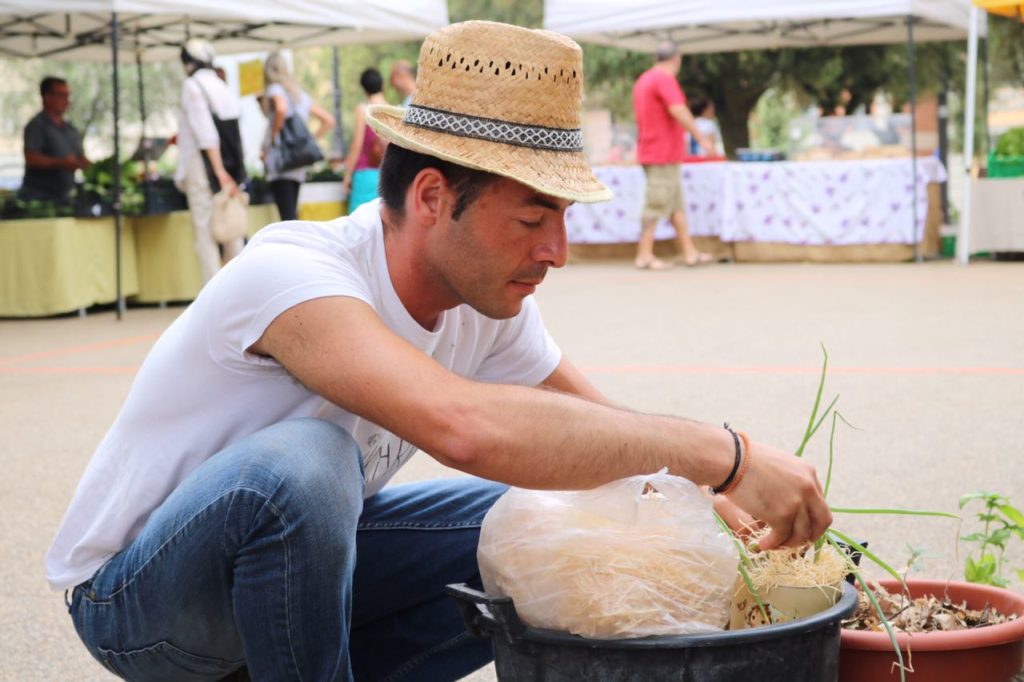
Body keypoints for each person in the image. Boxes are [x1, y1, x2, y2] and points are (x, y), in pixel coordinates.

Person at [48, 21, 831, 682]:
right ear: (430, 197)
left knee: (555, 520)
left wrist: (700, 496)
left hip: (299, 584)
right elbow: (464, 427)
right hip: (142, 605)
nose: (557, 250)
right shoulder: (290, 272)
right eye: (532, 220)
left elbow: (599, 435)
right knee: (306, 464)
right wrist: (723, 453)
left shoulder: (487, 301)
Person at [632, 41, 716, 270]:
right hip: (662, 154)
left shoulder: (644, 79)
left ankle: (690, 253)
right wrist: (701, 138)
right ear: (677, 58)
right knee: (656, 203)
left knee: (675, 206)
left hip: (657, 152)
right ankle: (644, 255)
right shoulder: (663, 79)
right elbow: (678, 109)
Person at [174, 39, 246, 284]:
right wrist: (230, 172)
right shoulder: (220, 85)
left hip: (203, 167)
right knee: (232, 228)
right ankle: (239, 287)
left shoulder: (192, 86)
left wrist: (218, 171)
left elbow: (206, 134)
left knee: (205, 231)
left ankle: (213, 294)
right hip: (228, 167)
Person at [261, 51, 336, 221]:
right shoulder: (299, 95)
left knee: (287, 217)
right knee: (291, 213)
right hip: (297, 163)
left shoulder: (275, 89)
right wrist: (309, 140)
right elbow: (329, 120)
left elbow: (281, 108)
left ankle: (291, 247)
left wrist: (273, 137)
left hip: (281, 161)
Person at [19, 76, 90, 203]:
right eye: (62, 95)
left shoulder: (71, 129)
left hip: (65, 197)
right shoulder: (37, 126)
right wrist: (61, 163)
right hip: (39, 198)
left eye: (68, 95)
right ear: (47, 97)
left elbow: (80, 158)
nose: (67, 101)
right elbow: (31, 159)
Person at [341, 67, 387, 214]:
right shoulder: (391, 110)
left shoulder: (364, 109)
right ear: (382, 85)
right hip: (385, 174)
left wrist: (347, 174)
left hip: (364, 173)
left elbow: (357, 144)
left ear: (364, 89)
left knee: (358, 221)